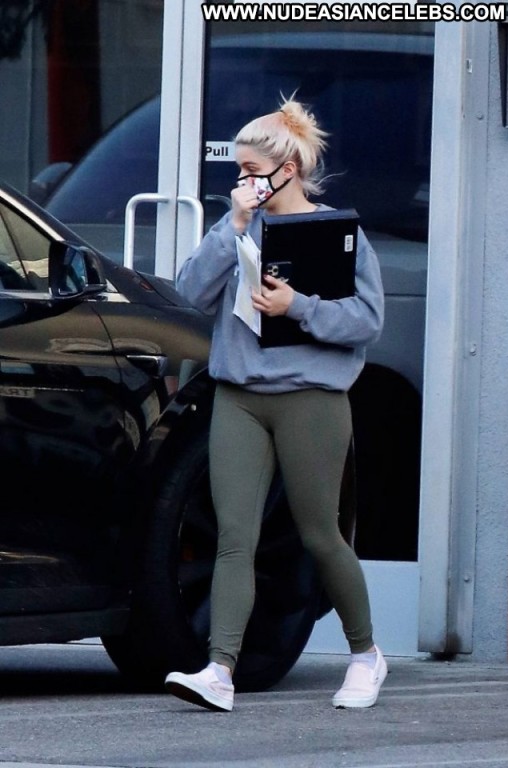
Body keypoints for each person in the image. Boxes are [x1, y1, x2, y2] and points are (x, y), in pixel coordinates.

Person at [165, 95, 387, 712]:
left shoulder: (337, 233)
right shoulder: (237, 227)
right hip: (239, 396)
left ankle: (366, 655)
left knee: (320, 533)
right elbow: (188, 293)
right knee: (234, 536)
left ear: (287, 170)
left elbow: (368, 321)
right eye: (237, 170)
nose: (242, 181)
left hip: (311, 399)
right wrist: (230, 226)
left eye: (252, 171)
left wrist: (299, 308)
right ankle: (219, 670)